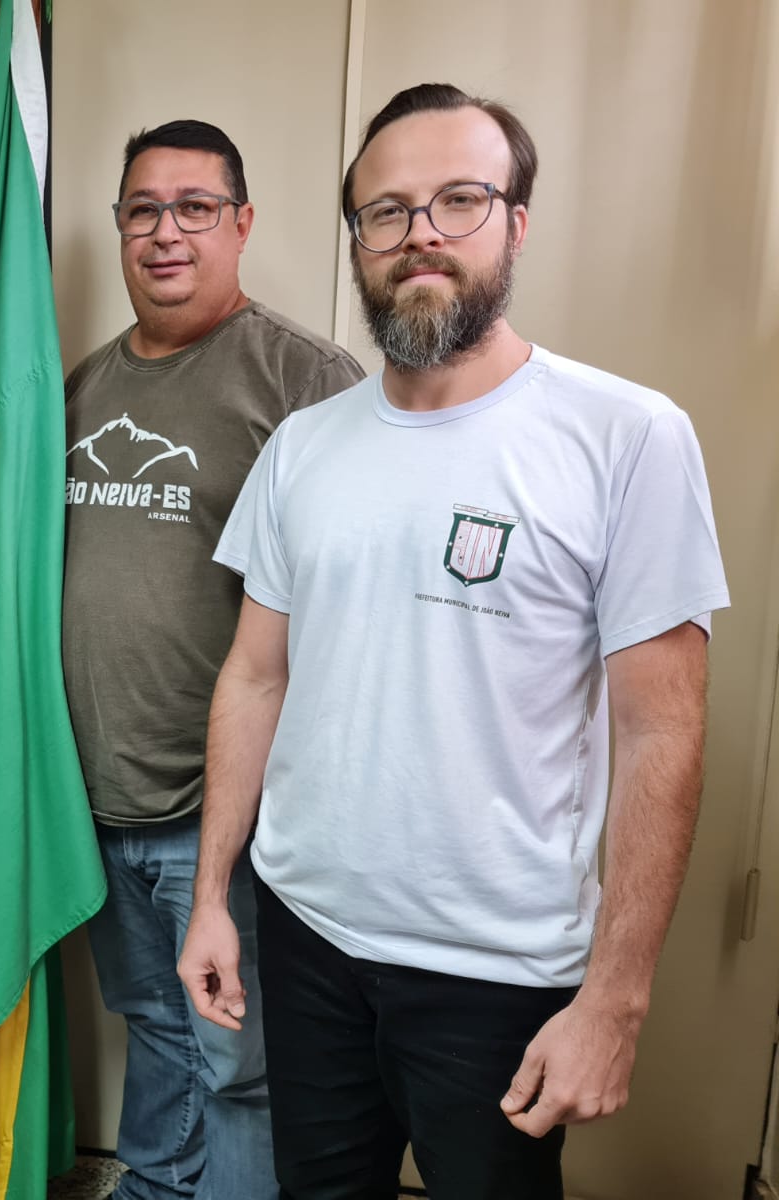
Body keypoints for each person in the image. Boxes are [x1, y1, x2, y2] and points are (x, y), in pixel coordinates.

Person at [180, 83, 729, 1199]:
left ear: (515, 222)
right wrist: (208, 897)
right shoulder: (303, 447)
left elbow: (661, 731)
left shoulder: (625, 437)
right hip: (307, 933)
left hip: (498, 971)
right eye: (385, 211)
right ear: (357, 243)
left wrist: (614, 1002)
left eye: (458, 199)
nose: (419, 230)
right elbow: (253, 677)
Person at [61, 120, 363, 1200]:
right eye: (143, 209)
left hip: (221, 807)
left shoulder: (307, 381)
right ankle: (153, 1188)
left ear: (240, 225)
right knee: (152, 1023)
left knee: (236, 1064)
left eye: (195, 208)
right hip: (94, 796)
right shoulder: (80, 387)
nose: (165, 233)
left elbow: (349, 608)